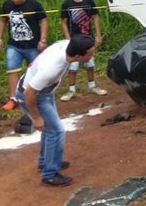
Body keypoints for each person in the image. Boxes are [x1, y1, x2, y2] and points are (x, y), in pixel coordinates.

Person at [15, 35, 96, 186]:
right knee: (56, 131)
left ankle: (45, 162)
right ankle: (49, 174)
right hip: (32, 95)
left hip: (44, 92)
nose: (92, 55)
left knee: (50, 129)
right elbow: (29, 93)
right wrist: (36, 118)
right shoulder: (53, 67)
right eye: (90, 54)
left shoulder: (67, 45)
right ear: (78, 55)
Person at [0, 0, 48, 110]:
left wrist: (43, 40)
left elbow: (43, 21)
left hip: (32, 46)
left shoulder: (34, 5)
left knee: (37, 71)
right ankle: (13, 99)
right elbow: (3, 21)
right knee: (11, 69)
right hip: (14, 45)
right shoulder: (6, 5)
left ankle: (38, 96)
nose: (15, 0)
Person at [59, 0, 107, 101]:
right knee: (73, 65)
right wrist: (68, 39)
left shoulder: (89, 2)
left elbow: (95, 18)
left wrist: (97, 35)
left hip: (87, 38)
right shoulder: (66, 4)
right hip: (74, 39)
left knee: (90, 62)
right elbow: (63, 22)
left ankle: (92, 86)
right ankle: (71, 90)